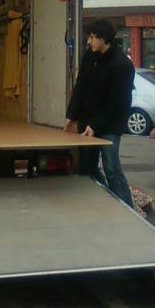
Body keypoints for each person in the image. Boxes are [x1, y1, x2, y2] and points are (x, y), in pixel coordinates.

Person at [64, 19, 134, 207]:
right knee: (87, 168)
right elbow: (80, 87)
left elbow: (116, 103)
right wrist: (71, 116)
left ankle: (126, 208)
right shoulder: (89, 57)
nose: (89, 41)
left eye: (93, 37)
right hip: (88, 122)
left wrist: (95, 125)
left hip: (110, 125)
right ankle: (104, 201)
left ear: (104, 38)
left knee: (112, 168)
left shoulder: (122, 65)